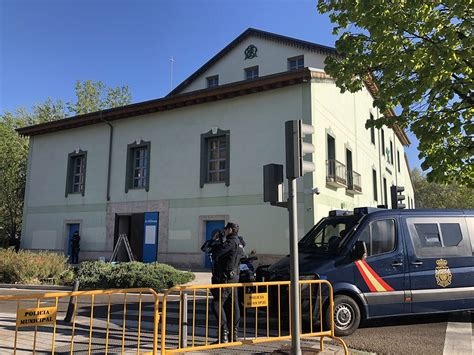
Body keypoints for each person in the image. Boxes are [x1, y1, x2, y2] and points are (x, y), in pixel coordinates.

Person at [206, 222, 244, 343]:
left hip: (226, 278)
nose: (224, 230)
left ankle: (224, 335)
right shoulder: (239, 242)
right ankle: (234, 334)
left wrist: (220, 241)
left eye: (226, 229)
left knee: (217, 304)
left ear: (231, 230)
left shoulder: (230, 242)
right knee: (233, 305)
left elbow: (216, 253)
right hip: (234, 277)